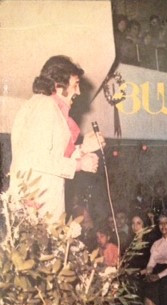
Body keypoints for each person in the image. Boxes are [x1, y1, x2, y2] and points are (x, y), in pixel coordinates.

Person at [8, 55, 102, 222]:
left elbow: (52, 156)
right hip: (37, 207)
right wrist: (79, 164)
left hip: (40, 206)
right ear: (58, 85)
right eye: (75, 85)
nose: (79, 92)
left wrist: (83, 149)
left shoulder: (42, 106)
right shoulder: (44, 106)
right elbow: (38, 158)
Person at [140, 214, 167, 305]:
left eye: (166, 223)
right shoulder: (156, 243)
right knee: (148, 288)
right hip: (156, 272)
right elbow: (151, 263)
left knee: (165, 286)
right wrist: (148, 273)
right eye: (160, 223)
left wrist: (159, 276)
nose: (163, 226)